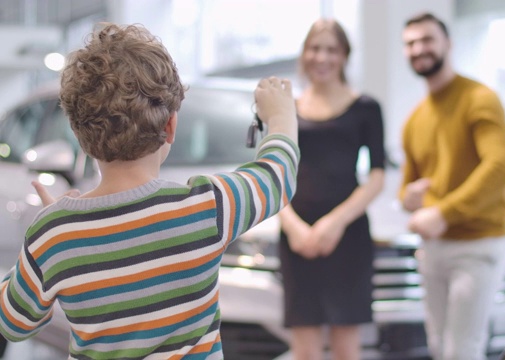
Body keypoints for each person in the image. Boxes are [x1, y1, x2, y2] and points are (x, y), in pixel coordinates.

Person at [0, 23, 299, 359]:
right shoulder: (206, 207)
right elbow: (278, 177)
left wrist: (50, 231)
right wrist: (281, 117)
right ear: (170, 126)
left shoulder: (54, 234)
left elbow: (13, 323)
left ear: (78, 132)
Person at [398, 12, 505, 360]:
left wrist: (444, 212)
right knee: (439, 347)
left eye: (427, 40)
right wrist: (410, 198)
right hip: (433, 249)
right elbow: (407, 190)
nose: (419, 49)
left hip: (478, 244)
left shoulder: (479, 98)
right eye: (411, 43)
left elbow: (500, 166)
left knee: (462, 350)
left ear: (447, 43)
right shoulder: (415, 119)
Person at [277, 18, 386, 360]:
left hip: (348, 236)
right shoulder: (287, 111)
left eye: (331, 49)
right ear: (304, 54)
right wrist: (293, 227)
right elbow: (274, 175)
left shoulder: (366, 108)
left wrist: (334, 223)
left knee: (346, 351)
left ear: (344, 56)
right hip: (297, 237)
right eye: (314, 48)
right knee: (305, 351)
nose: (321, 57)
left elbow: (378, 176)